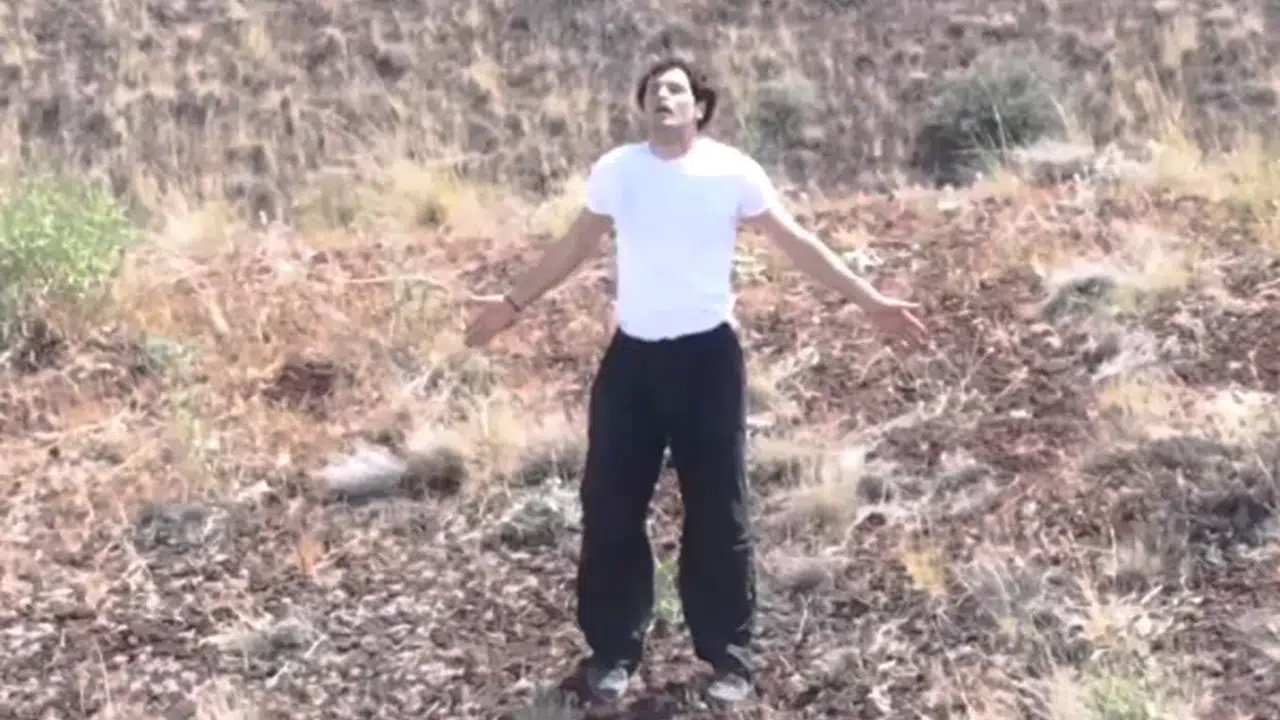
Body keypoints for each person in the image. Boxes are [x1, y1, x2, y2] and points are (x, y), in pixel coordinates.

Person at [463, 57, 928, 706]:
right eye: (653, 89)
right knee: (610, 505)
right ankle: (613, 653)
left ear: (699, 107)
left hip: (708, 361)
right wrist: (511, 305)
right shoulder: (618, 171)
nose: (663, 95)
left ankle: (729, 660)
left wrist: (871, 301)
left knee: (717, 509)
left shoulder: (732, 171)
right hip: (632, 362)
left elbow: (797, 243)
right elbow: (573, 246)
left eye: (676, 88)